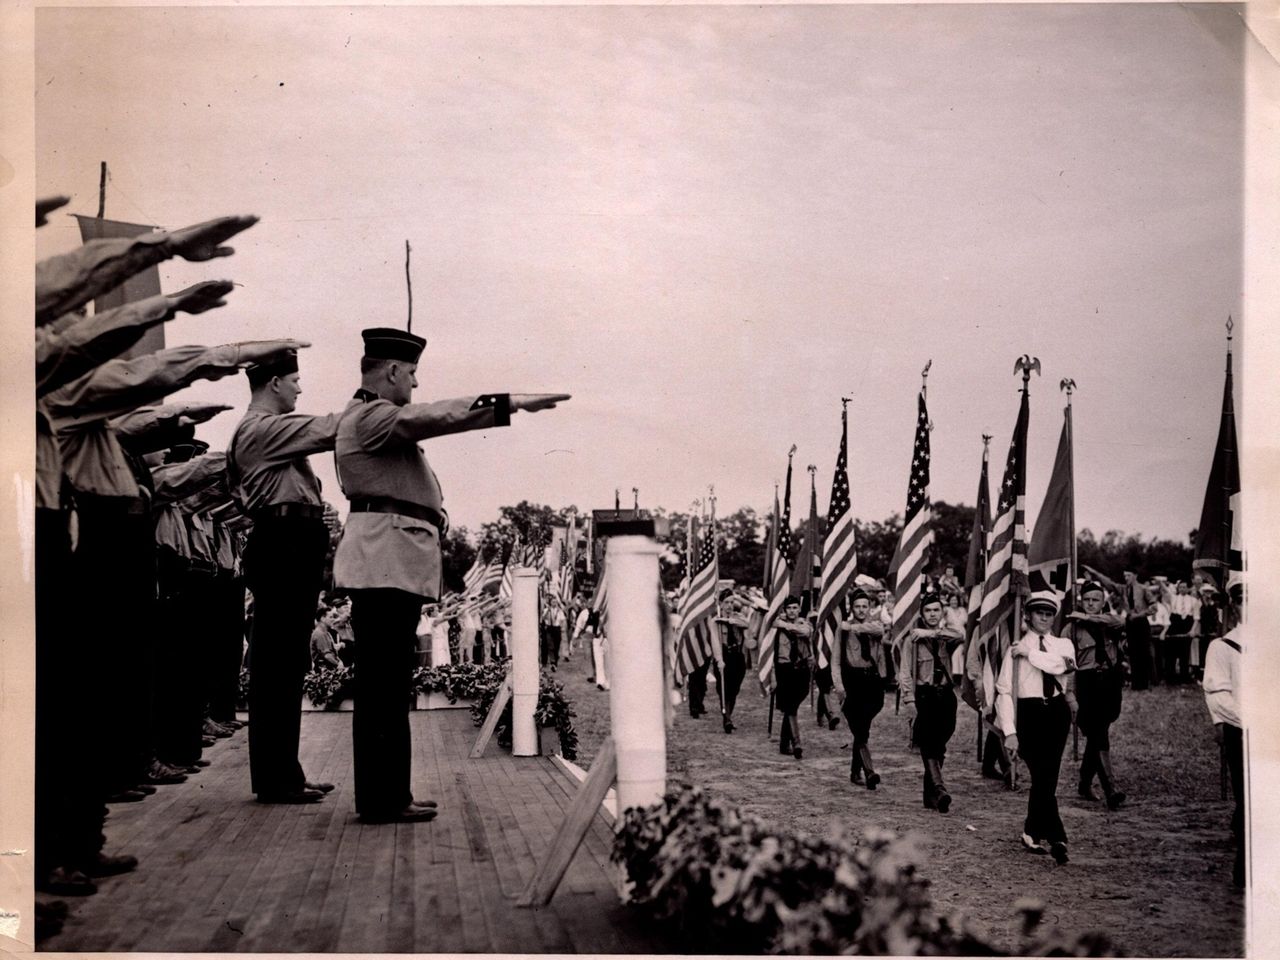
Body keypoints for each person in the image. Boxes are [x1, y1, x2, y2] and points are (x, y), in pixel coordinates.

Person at [332, 326, 568, 823]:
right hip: (385, 561)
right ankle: (381, 799)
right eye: (412, 373)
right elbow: (432, 415)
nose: (415, 384)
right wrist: (509, 403)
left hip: (389, 559)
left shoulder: (370, 418)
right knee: (383, 688)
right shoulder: (373, 416)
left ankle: (388, 793)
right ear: (391, 371)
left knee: (389, 687)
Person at [226, 348, 342, 805]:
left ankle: (285, 773)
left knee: (287, 663)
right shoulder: (262, 430)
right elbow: (322, 429)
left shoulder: (268, 433)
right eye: (294, 379)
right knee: (277, 666)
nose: (299, 387)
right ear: (273, 382)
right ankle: (276, 778)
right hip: (283, 545)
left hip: (290, 543)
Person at [997, 590, 1076, 864]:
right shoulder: (1014, 649)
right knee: (1041, 774)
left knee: (1048, 775)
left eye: (1049, 613)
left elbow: (1064, 667)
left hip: (1055, 711)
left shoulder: (1063, 644)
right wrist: (1009, 731)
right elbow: (1004, 691)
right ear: (1027, 616)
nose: (1044, 618)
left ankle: (1032, 831)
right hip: (1027, 713)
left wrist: (1029, 653)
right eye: (1038, 613)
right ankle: (1056, 835)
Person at [1064, 580, 1128, 808]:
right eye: (1087, 600)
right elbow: (1068, 668)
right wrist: (1070, 696)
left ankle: (1084, 781)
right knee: (1098, 732)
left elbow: (1121, 621)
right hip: (1086, 684)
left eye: (1095, 600)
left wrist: (1089, 618)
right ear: (1081, 601)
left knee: (1098, 733)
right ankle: (1111, 788)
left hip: (1109, 683)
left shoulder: (1109, 623)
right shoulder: (1071, 629)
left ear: (1103, 603)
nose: (1090, 604)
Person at [898, 592, 963, 812]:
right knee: (928, 744)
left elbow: (962, 634)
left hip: (945, 695)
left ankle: (930, 796)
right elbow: (905, 671)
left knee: (940, 744)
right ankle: (940, 789)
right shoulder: (912, 640)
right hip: (924, 696)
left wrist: (932, 632)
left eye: (936, 610)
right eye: (928, 610)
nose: (933, 614)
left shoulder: (945, 636)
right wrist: (908, 699)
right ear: (921, 614)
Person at [1202, 583, 1244, 888]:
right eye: (1244, 600)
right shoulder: (1223, 646)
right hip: (1244, 732)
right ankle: (1246, 873)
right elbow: (1218, 695)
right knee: (1251, 802)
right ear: (1235, 605)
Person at [831, 589, 886, 788]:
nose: (861, 610)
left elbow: (879, 631)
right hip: (852, 684)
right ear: (851, 608)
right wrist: (839, 687)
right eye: (857, 606)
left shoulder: (874, 626)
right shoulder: (842, 630)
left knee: (862, 730)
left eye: (864, 606)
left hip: (872, 683)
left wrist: (853, 628)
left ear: (869, 608)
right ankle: (869, 772)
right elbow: (835, 661)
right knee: (860, 729)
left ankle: (855, 771)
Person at [774, 598, 814, 759]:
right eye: (789, 608)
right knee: (790, 706)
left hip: (801, 669)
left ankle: (784, 743)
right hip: (785, 669)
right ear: (785, 610)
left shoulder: (805, 624)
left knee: (793, 705)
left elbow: (805, 632)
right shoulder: (776, 626)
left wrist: (784, 625)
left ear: (799, 609)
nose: (791, 611)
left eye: (794, 608)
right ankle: (796, 743)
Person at [711, 593, 750, 733]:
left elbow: (747, 624)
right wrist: (719, 660)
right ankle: (726, 719)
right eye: (726, 602)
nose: (729, 606)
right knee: (723, 689)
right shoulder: (715, 621)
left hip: (737, 657)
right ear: (720, 603)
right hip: (723, 656)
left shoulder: (738, 617)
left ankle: (728, 716)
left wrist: (732, 621)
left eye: (731, 602)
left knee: (734, 690)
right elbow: (715, 642)